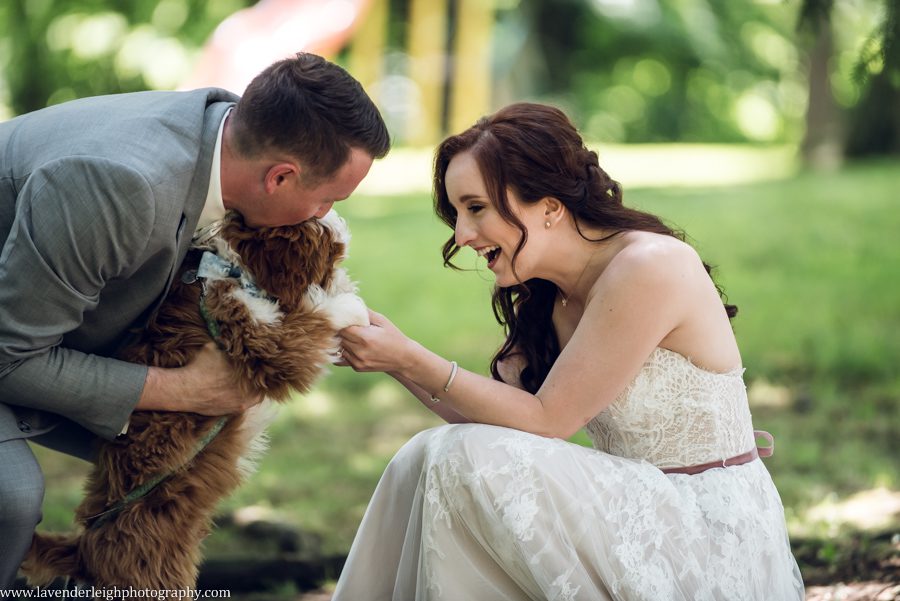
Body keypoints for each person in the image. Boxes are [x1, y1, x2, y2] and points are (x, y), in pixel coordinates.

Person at [333, 103, 804, 600]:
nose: (462, 235)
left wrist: (410, 357)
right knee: (423, 456)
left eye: (476, 208)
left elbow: (548, 419)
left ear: (550, 207)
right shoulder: (548, 294)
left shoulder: (649, 266)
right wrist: (395, 361)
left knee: (455, 455)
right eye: (457, 214)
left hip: (704, 527)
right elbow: (496, 420)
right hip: (634, 506)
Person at [0, 52, 390, 587]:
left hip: (31, 320)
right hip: (11, 344)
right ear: (280, 177)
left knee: (177, 463)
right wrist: (186, 390)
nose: (326, 216)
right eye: (327, 200)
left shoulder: (221, 138)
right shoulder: (122, 187)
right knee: (12, 496)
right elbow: (8, 358)